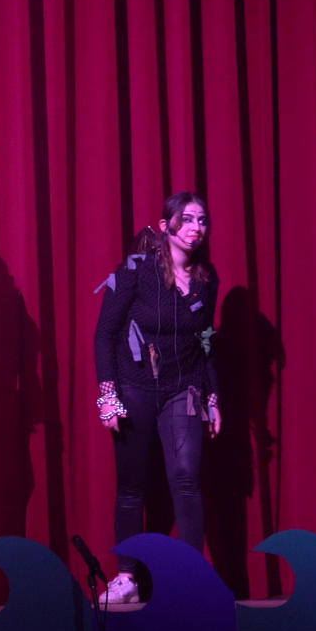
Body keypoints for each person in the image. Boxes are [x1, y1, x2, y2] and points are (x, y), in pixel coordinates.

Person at [92, 191, 221, 604]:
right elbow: (104, 335)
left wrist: (212, 396)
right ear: (165, 226)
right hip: (135, 386)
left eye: (202, 220)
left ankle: (191, 579)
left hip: (184, 388)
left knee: (187, 480)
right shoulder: (136, 269)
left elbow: (205, 341)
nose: (196, 227)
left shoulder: (206, 278)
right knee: (132, 486)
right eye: (188, 219)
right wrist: (108, 396)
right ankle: (127, 579)